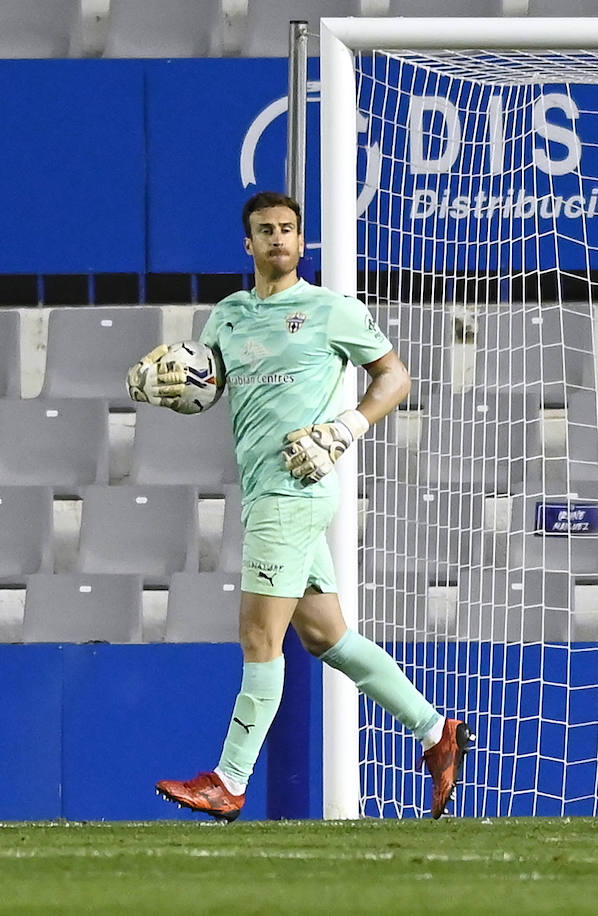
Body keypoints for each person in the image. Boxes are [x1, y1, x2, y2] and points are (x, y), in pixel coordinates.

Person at [128, 190, 472, 821]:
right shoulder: (227, 317)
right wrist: (165, 387)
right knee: (327, 636)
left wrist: (345, 429)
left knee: (260, 636)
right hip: (263, 487)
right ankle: (434, 731)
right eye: (266, 230)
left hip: (296, 485)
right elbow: (208, 389)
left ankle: (229, 781)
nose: (278, 239)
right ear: (248, 243)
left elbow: (395, 377)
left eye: (288, 229)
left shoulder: (330, 309)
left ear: (301, 241)